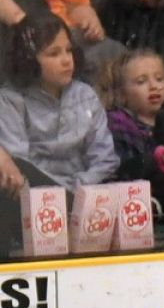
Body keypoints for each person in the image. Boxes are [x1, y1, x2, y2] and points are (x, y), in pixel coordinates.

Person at [0, 10, 116, 190]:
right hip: (33, 196)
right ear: (28, 58)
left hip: (85, 192)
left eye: (69, 51)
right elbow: (19, 164)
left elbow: (105, 158)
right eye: (54, 54)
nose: (66, 60)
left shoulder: (85, 95)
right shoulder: (10, 99)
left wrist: (78, 187)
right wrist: (58, 191)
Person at [97, 46, 164, 215]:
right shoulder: (117, 130)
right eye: (141, 82)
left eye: (159, 79)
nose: (154, 87)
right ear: (121, 93)